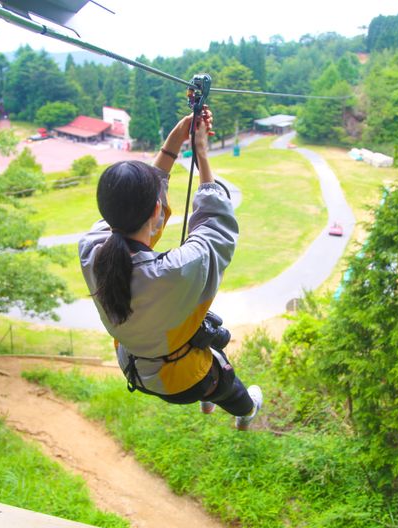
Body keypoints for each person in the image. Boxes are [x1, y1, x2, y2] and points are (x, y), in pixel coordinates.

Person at [78, 109, 263, 430]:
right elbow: (216, 226)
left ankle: (211, 396)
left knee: (209, 330)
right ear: (156, 210)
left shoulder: (92, 251)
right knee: (228, 383)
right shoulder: (173, 273)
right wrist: (201, 153)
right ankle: (245, 413)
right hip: (180, 379)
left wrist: (176, 141)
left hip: (133, 364)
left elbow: (136, 215)